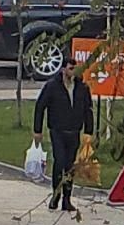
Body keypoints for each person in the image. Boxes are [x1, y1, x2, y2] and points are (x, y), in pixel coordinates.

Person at [32, 60, 95, 214]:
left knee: (70, 165)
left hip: (74, 131)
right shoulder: (52, 86)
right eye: (71, 68)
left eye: (76, 69)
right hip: (57, 130)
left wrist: (88, 131)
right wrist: (37, 130)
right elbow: (40, 107)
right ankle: (56, 195)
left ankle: (67, 199)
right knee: (59, 161)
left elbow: (88, 109)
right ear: (63, 69)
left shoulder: (82, 87)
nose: (74, 72)